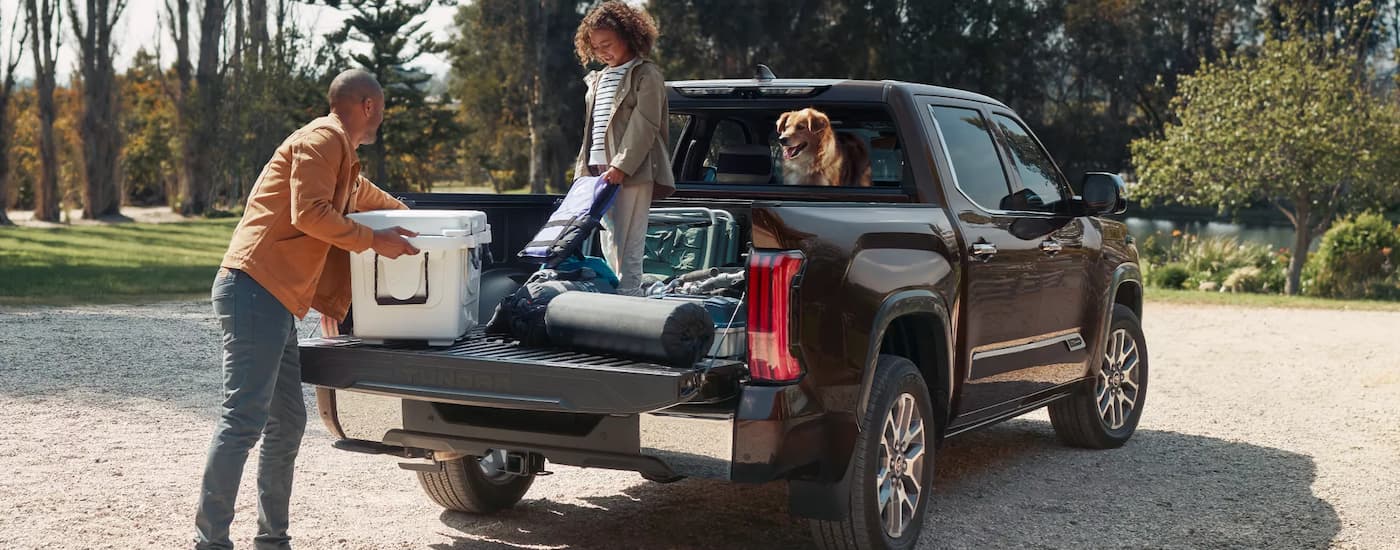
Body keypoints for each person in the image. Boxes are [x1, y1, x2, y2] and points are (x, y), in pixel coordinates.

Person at [194, 69, 419, 550]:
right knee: (243, 419)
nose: (381, 117)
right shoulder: (322, 140)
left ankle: (272, 539)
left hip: (273, 297)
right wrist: (374, 241)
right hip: (253, 288)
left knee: (287, 421)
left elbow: (364, 197)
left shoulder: (341, 156)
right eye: (381, 109)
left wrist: (418, 220)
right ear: (368, 106)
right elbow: (310, 213)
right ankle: (210, 542)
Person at [572, 1, 674, 296]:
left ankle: (628, 298)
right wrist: (583, 172)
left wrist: (621, 165)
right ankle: (616, 298)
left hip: (631, 170)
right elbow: (591, 130)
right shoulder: (599, 78)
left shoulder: (646, 74)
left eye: (607, 44)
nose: (602, 52)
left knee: (628, 242)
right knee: (609, 239)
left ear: (628, 36)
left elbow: (645, 125)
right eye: (596, 47)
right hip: (598, 171)